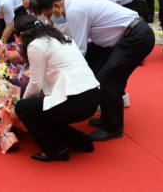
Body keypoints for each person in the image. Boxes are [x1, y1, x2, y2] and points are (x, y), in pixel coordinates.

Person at [38, 0, 155, 142]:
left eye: (49, 15)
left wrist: (59, 72)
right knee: (99, 75)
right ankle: (108, 117)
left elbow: (79, 49)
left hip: (135, 37)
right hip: (126, 38)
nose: (50, 19)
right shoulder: (74, 5)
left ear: (56, 6)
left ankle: (113, 127)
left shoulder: (74, 10)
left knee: (107, 81)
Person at [13, 15, 100, 162]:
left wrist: (18, 107)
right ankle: (81, 140)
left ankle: (55, 149)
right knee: (45, 107)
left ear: (21, 34)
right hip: (92, 97)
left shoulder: (35, 45)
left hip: (76, 102)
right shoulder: (61, 38)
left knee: (23, 108)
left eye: (16, 38)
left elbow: (35, 84)